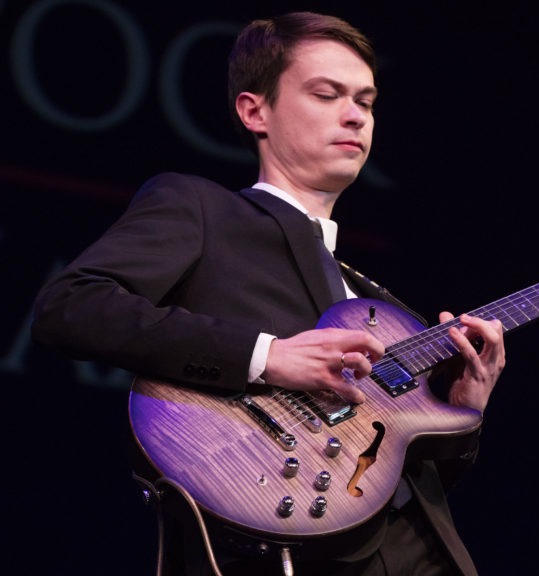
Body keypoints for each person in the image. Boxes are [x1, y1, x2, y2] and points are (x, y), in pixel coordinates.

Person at [31, 11, 505, 576]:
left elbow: (378, 476)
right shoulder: (202, 208)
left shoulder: (382, 304)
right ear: (255, 110)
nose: (354, 115)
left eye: (366, 100)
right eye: (327, 94)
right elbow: (71, 306)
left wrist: (462, 413)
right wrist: (267, 356)